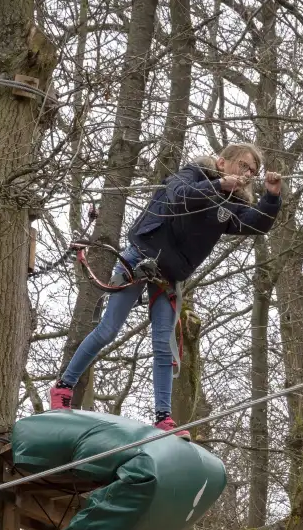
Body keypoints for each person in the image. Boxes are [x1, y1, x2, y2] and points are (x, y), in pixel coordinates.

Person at [51, 143, 283, 437]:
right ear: (222, 163)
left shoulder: (231, 206)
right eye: (243, 166)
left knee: (163, 344)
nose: (247, 174)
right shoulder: (192, 174)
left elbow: (257, 224)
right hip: (140, 257)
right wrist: (219, 185)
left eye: (252, 171)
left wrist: (272, 196)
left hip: (169, 275)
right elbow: (180, 196)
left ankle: (163, 419)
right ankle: (63, 387)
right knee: (108, 329)